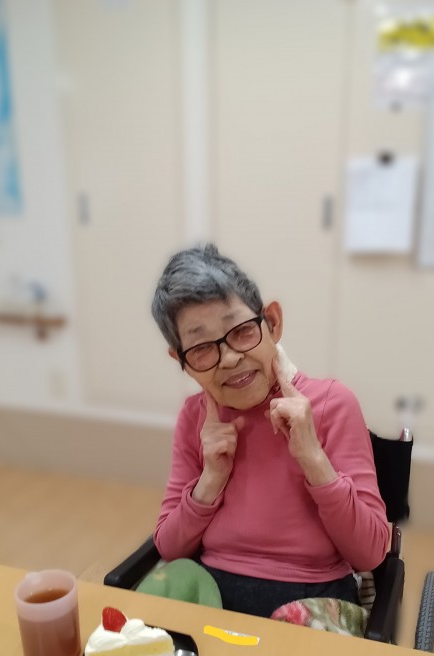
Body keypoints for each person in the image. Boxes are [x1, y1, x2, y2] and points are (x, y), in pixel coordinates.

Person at [150, 243, 389, 618]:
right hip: (213, 594)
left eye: (242, 331)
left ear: (272, 323)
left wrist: (313, 459)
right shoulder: (195, 419)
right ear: (181, 361)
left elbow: (371, 553)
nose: (230, 358)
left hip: (314, 598)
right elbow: (169, 547)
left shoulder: (332, 404)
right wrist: (210, 480)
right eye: (201, 348)